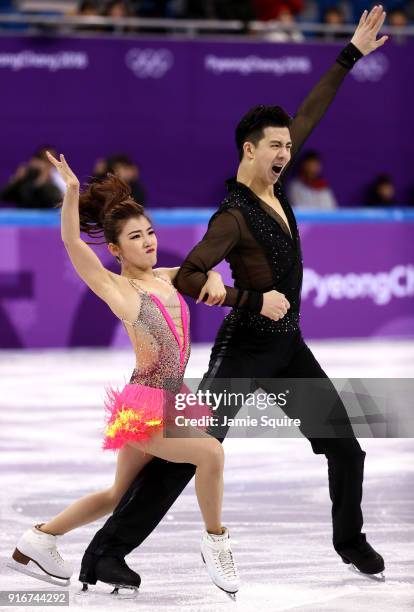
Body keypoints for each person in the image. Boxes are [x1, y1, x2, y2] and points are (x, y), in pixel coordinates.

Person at [78, 5, 388, 589]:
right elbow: (191, 275)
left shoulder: (276, 186)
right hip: (242, 352)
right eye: (273, 146)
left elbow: (309, 113)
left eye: (288, 147)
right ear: (248, 149)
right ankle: (106, 551)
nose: (284, 153)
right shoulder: (232, 216)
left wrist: (349, 54)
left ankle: (350, 542)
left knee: (345, 449)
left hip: (288, 349)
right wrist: (249, 300)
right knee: (189, 456)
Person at [9, 154, 240, 598]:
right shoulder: (119, 289)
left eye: (149, 232)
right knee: (210, 452)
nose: (148, 241)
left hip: (171, 397)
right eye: (135, 237)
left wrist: (209, 273)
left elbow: (198, 273)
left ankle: (39, 538)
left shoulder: (168, 280)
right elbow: (75, 247)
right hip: (145, 405)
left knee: (117, 495)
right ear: (115, 249)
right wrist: (72, 194)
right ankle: (216, 541)